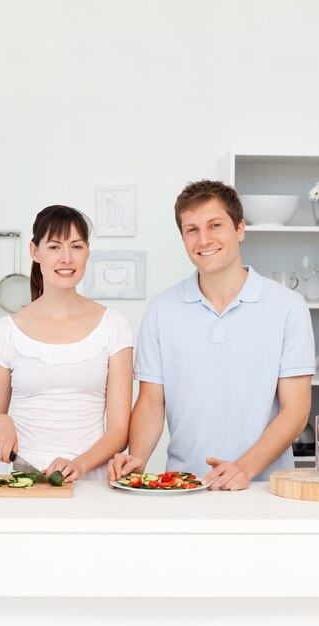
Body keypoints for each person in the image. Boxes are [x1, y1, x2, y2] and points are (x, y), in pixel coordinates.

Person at [108, 180, 315, 490]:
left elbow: (296, 410)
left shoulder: (288, 307)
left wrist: (244, 468)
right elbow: (151, 403)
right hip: (183, 485)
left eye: (215, 225)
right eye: (191, 230)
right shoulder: (161, 310)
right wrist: (135, 457)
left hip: (262, 488)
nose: (203, 239)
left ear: (240, 229)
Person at [0, 205, 134, 481]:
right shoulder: (5, 331)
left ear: (87, 250)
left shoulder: (114, 325)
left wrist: (79, 465)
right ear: (35, 252)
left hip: (88, 478)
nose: (66, 258)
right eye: (54, 247)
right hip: (18, 478)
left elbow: (119, 432)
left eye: (76, 246)